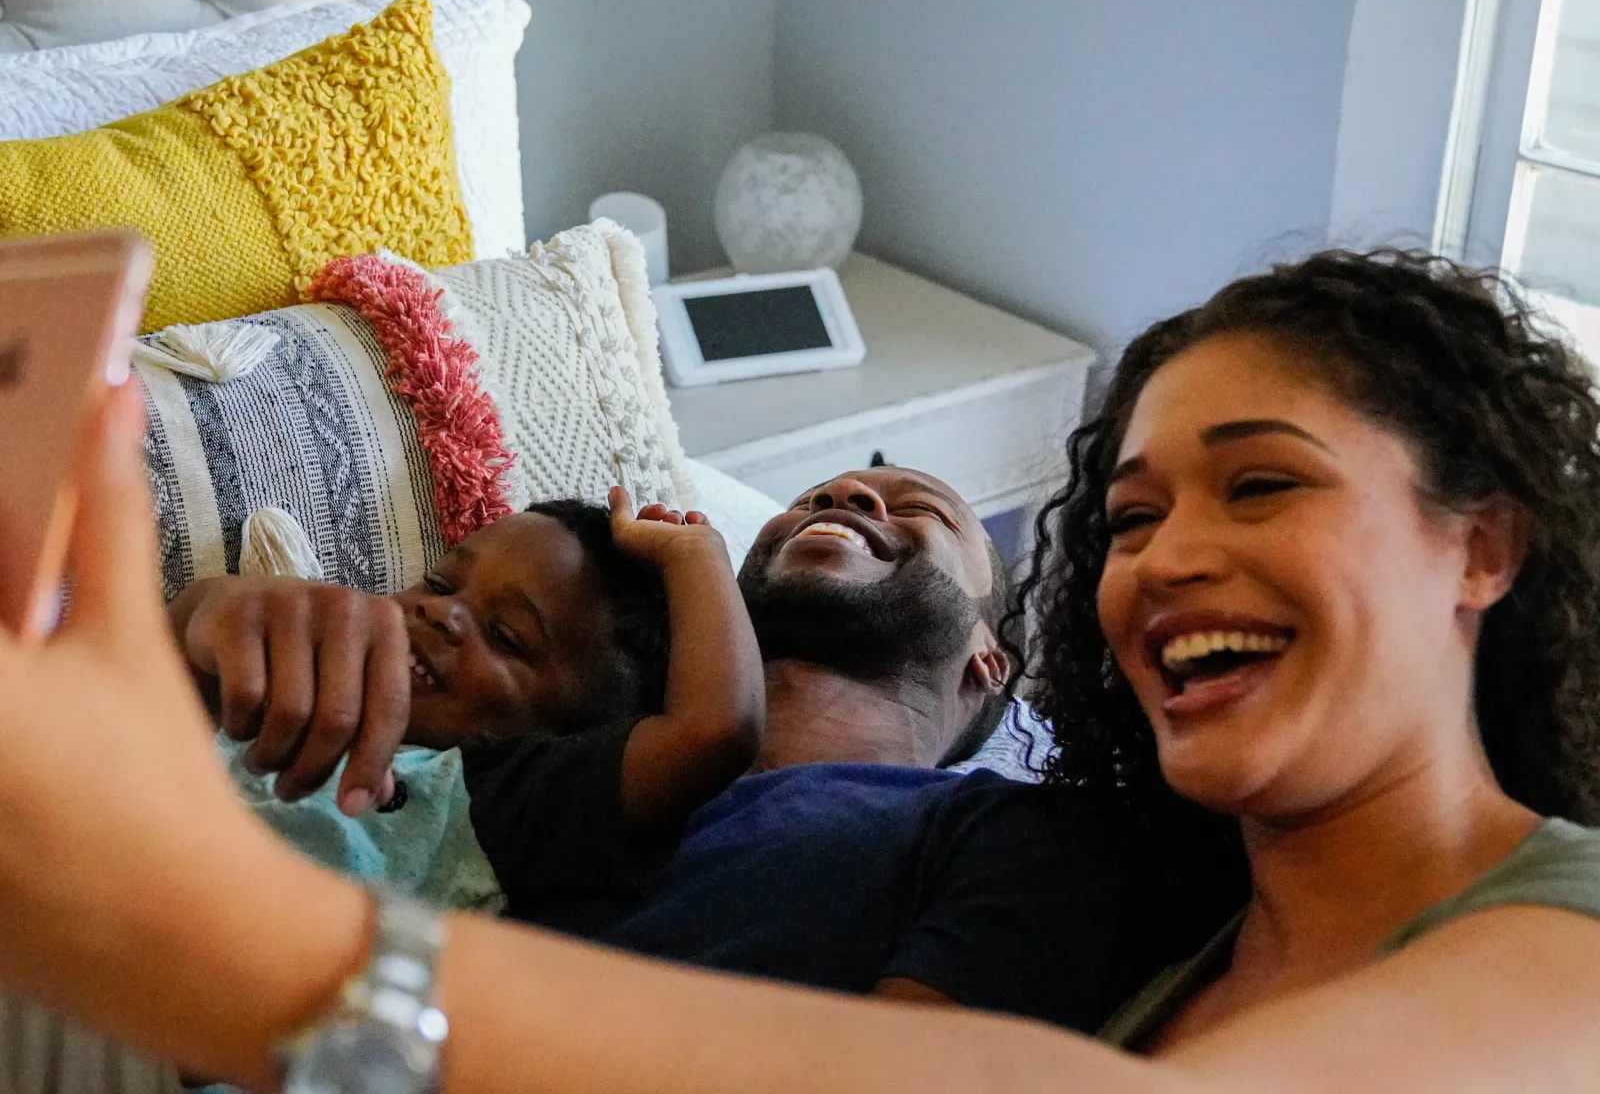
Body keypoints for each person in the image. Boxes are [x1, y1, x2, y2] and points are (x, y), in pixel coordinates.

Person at [4, 247, 1600, 1094]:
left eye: (1262, 484)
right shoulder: (1171, 935)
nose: (1166, 556)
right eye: (1127, 517)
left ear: (1485, 547)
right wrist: (215, 640)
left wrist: (251, 949)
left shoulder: (1568, 937)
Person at [170, 463, 1154, 1029]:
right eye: (820, 494)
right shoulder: (555, 748)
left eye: (918, 511)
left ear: (990, 658)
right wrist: (206, 615)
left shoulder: (1008, 835)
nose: (853, 495)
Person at [166, 493, 764, 911]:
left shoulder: (499, 796)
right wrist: (213, 609)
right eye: (442, 582)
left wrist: (695, 552)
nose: (440, 612)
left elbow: (716, 730)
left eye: (506, 637)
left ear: (575, 740)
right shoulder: (316, 665)